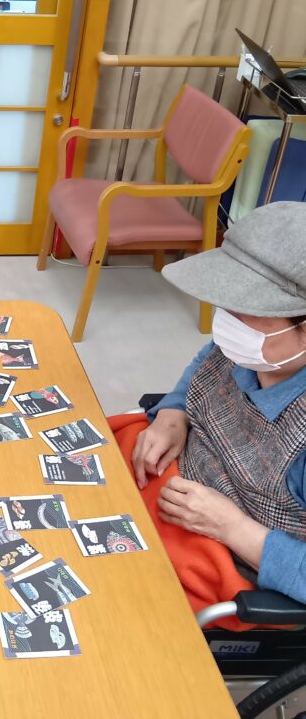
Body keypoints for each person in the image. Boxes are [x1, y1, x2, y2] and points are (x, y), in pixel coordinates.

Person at [113, 201, 306, 628]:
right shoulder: (265, 349)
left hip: (225, 557)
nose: (225, 323)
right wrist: (173, 413)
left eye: (245, 312)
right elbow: (210, 360)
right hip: (171, 475)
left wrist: (234, 528)